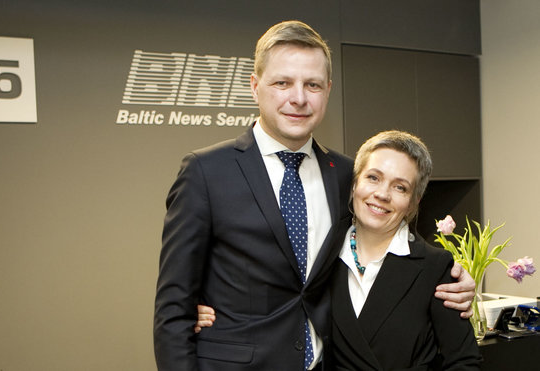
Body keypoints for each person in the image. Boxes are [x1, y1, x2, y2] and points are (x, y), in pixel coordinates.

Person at [154, 20, 475, 371]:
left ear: (328, 90)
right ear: (255, 86)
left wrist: (453, 279)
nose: (299, 98)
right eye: (282, 83)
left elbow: (381, 240)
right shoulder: (205, 171)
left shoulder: (344, 174)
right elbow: (173, 307)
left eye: (313, 85)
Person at [331, 130, 481, 370]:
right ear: (354, 182)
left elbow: (463, 361)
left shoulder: (435, 267)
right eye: (373, 178)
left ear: (414, 201)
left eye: (400, 187)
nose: (381, 194)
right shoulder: (323, 255)